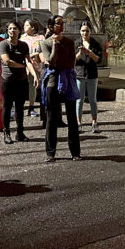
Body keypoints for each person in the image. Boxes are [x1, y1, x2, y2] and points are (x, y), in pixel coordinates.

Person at [40, 15, 81, 162]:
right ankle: (50, 153)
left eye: (62, 23)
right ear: (51, 26)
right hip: (52, 81)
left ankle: (75, 152)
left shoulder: (69, 42)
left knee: (71, 117)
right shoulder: (45, 43)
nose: (61, 25)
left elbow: (71, 62)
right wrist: (55, 46)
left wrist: (58, 63)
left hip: (67, 80)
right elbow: (50, 61)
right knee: (51, 117)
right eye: (58, 23)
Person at [0, 21, 38, 144]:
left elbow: (28, 62)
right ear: (7, 30)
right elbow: (7, 61)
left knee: (20, 107)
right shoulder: (3, 44)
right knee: (7, 106)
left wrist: (35, 75)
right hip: (8, 80)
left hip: (21, 80)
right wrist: (22, 66)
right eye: (10, 28)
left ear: (19, 30)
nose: (12, 31)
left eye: (15, 28)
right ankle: (7, 132)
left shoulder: (23, 45)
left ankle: (20, 132)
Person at [74, 22, 103, 133]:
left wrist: (90, 53)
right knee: (79, 100)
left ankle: (94, 122)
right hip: (80, 74)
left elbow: (98, 59)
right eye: (83, 31)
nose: (84, 33)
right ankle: (79, 123)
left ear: (90, 32)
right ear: (80, 32)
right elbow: (73, 59)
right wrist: (80, 53)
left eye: (87, 31)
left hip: (92, 75)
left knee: (93, 100)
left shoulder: (95, 43)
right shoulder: (76, 43)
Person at [20, 19, 45, 119]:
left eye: (27, 25)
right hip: (25, 65)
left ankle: (31, 106)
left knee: (33, 86)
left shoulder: (40, 38)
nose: (24, 27)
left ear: (33, 27)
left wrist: (36, 55)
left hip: (37, 65)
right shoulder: (22, 38)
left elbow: (43, 51)